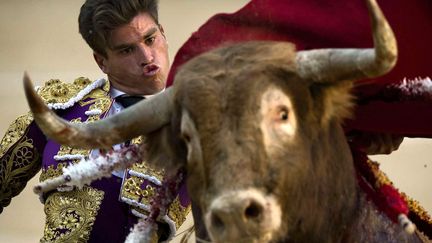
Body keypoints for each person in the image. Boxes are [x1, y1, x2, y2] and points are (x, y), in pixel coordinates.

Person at [0, 0, 190, 242]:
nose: (146, 57)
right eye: (126, 50)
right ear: (102, 61)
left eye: (150, 39)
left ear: (162, 33)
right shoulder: (63, 109)